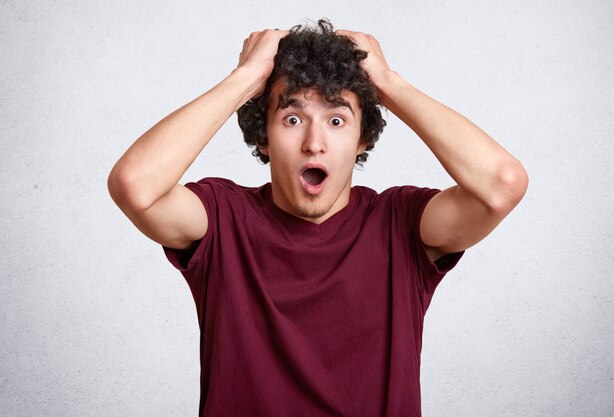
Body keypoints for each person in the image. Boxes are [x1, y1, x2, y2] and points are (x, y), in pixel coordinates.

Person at [108, 20, 528, 417]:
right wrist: (244, 80)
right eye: (292, 119)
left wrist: (387, 82)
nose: (314, 143)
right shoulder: (222, 218)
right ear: (263, 137)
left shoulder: (401, 224)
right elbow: (135, 186)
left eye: (337, 120)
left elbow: (501, 186)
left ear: (362, 139)